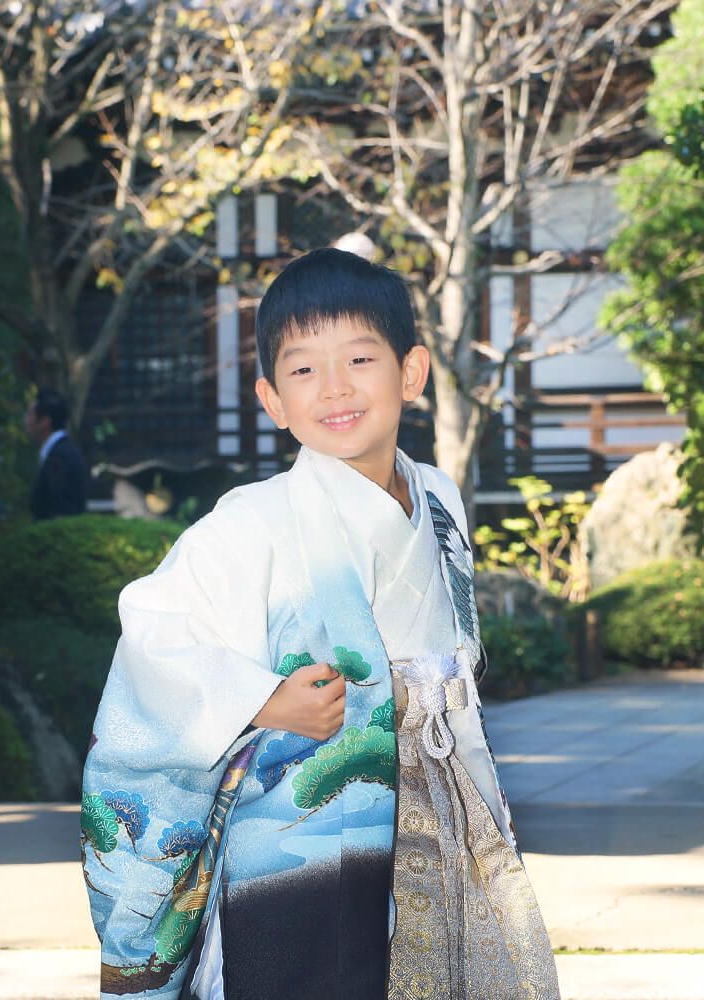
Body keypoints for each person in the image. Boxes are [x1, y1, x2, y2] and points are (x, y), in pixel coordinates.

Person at [82, 249, 560, 1000]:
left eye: (359, 359)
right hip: (303, 823)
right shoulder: (253, 522)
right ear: (272, 399)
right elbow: (153, 636)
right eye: (303, 370)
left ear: (411, 373)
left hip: (443, 796)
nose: (334, 388)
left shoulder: (437, 500)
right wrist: (262, 700)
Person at [24, 388, 87, 519]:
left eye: (30, 415)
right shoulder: (58, 451)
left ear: (45, 422)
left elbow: (60, 510)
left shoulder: (61, 456)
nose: (26, 421)